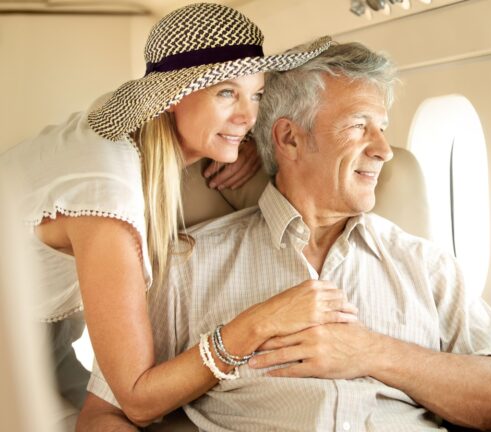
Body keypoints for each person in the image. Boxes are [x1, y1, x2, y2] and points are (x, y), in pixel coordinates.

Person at [80, 41, 491, 431]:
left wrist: (374, 353)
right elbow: (104, 415)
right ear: (290, 139)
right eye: (360, 126)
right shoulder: (187, 266)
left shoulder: (425, 265)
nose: (383, 150)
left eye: (382, 128)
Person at [0, 3, 358, 430]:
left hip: (42, 339)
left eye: (256, 94)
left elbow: (219, 122)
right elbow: (136, 397)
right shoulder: (106, 198)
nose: (248, 116)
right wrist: (260, 322)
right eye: (226, 92)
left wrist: (236, 141)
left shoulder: (129, 128)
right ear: (170, 98)